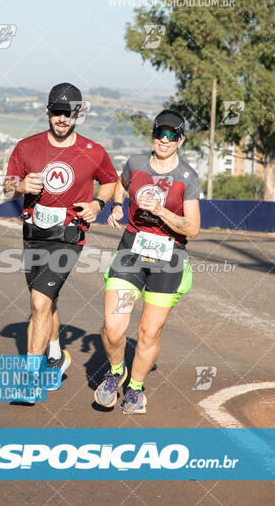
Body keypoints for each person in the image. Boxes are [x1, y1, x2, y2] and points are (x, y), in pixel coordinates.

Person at [4, 82, 118, 390]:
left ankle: (29, 378)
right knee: (45, 300)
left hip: (70, 234)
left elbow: (110, 181)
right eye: (57, 112)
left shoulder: (93, 151)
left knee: (39, 303)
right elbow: (7, 183)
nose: (62, 119)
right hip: (33, 232)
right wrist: (20, 186)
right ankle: (56, 357)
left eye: (68, 113)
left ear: (78, 113)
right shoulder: (26, 147)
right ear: (47, 111)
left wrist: (98, 203)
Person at [94, 109, 202, 414]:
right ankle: (116, 372)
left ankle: (136, 388)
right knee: (113, 328)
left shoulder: (187, 178)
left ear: (180, 140)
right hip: (131, 252)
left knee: (148, 332)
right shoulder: (136, 163)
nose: (164, 140)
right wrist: (117, 207)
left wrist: (162, 212)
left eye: (171, 135)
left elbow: (192, 228)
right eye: (160, 133)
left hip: (168, 259)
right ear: (152, 135)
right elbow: (121, 183)